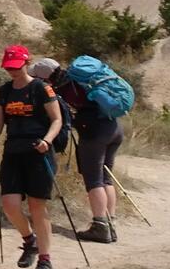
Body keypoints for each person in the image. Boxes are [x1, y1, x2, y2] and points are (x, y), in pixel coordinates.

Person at [0, 43, 63, 269]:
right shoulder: (4, 91)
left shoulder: (41, 88)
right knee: (10, 204)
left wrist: (47, 140)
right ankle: (29, 240)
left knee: (36, 206)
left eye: (16, 66)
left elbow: (56, 120)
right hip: (13, 152)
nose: (12, 71)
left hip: (38, 152)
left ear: (26, 62)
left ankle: (45, 260)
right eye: (8, 67)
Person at [31, 56, 120, 243]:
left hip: (95, 132)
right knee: (105, 178)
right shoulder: (79, 80)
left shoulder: (63, 90)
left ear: (45, 78)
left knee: (94, 180)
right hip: (114, 128)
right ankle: (110, 222)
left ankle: (100, 226)